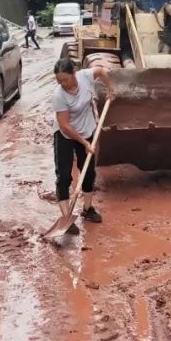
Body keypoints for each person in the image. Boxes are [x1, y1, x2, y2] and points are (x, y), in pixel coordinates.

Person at [51, 58, 115, 234]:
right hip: (65, 134)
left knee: (87, 172)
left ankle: (87, 209)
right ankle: (66, 218)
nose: (63, 83)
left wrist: (110, 88)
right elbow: (64, 125)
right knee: (63, 175)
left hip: (87, 129)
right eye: (59, 81)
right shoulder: (59, 96)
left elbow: (101, 71)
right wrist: (84, 143)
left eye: (66, 79)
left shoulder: (85, 76)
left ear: (74, 73)